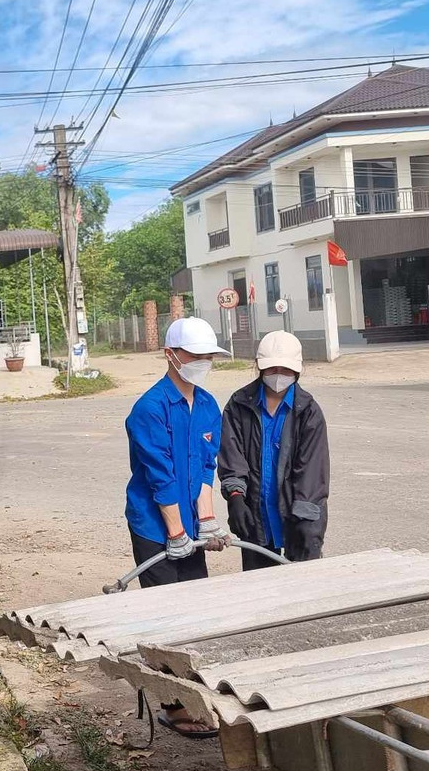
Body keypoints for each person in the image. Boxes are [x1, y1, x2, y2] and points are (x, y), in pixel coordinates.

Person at [124, 316, 231, 739]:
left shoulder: (206, 404)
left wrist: (206, 523)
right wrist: (174, 532)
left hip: (190, 525)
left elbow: (206, 467)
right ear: (171, 355)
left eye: (208, 356)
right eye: (196, 355)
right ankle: (173, 706)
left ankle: (195, 695)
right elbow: (160, 476)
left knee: (193, 611)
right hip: (155, 525)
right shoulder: (149, 409)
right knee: (164, 617)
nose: (203, 362)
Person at [218, 331, 330, 571]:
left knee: (301, 593)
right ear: (259, 366)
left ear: (298, 370)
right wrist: (236, 498)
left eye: (286, 370)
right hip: (255, 516)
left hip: (298, 518)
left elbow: (312, 473)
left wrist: (306, 521)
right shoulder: (239, 405)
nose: (278, 375)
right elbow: (232, 456)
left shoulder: (308, 411)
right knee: (261, 591)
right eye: (272, 369)